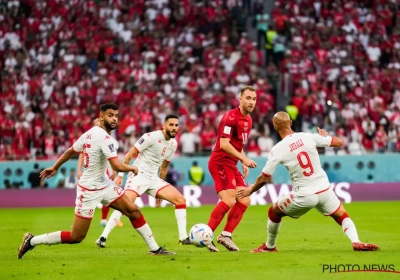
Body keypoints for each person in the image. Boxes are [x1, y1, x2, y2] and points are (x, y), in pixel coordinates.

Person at [17, 103, 175, 259]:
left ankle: (154, 248)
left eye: (116, 116)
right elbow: (116, 165)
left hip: (105, 184)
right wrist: (132, 168)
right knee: (76, 237)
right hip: (89, 189)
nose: (114, 119)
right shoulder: (105, 138)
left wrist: (55, 166)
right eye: (110, 115)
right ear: (101, 116)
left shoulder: (89, 133)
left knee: (133, 211)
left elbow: (71, 151)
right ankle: (32, 241)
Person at [238, 112, 379, 252]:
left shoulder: (278, 149)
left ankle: (270, 246)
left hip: (304, 195)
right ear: (291, 123)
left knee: (273, 212)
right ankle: (356, 241)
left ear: (275, 126)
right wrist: (325, 137)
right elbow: (339, 142)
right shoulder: (308, 136)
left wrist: (250, 190)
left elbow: (265, 177)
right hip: (324, 190)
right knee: (342, 215)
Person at [96, 114, 191, 248]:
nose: (174, 128)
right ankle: (103, 237)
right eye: (171, 125)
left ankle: (183, 237)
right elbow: (129, 155)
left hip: (153, 179)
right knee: (125, 205)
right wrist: (120, 176)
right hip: (138, 176)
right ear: (164, 126)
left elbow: (164, 167)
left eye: (176, 125)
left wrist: (160, 192)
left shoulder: (173, 144)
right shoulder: (150, 137)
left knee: (181, 200)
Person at [206, 85, 258, 252]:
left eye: (254, 99)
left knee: (245, 199)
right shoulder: (230, 117)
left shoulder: (249, 120)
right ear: (240, 99)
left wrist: (241, 161)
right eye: (248, 98)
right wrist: (244, 158)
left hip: (232, 164)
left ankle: (225, 236)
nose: (251, 102)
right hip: (220, 162)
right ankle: (206, 236)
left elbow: (238, 144)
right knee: (229, 200)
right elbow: (224, 144)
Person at [77, 118, 122, 227]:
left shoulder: (110, 140)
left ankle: (106, 219)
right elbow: (82, 153)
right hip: (91, 172)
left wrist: (114, 171)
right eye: (97, 124)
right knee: (94, 195)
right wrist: (79, 170)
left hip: (106, 169)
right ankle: (82, 220)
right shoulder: (88, 137)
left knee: (110, 194)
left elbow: (113, 157)